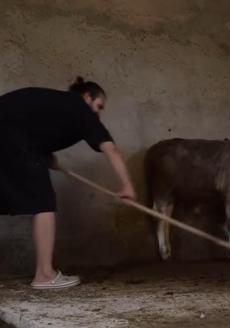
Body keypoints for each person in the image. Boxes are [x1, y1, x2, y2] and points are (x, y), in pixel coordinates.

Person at [0, 77, 137, 289]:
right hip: (10, 139)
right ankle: (45, 275)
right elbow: (111, 149)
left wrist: (48, 159)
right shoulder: (81, 108)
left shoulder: (56, 105)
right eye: (99, 106)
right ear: (87, 97)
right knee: (43, 202)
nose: (98, 114)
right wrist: (127, 186)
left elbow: (32, 131)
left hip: (9, 137)